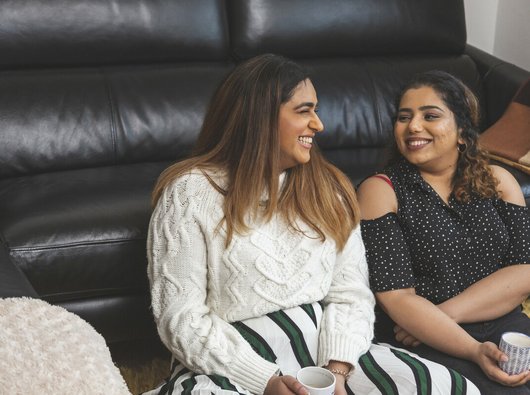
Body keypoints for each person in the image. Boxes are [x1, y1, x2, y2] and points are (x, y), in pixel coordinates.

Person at [144, 55, 479, 395]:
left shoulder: (329, 188)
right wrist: (265, 381)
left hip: (325, 352)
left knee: (444, 387)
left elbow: (351, 295)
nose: (318, 125)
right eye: (304, 111)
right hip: (230, 361)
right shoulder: (190, 192)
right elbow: (181, 317)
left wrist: (337, 369)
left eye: (315, 111)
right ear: (260, 117)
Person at [357, 70, 530, 394]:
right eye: (403, 117)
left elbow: (525, 271)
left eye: (430, 116)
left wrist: (447, 312)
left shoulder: (499, 181)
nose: (413, 126)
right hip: (427, 338)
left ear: (463, 131)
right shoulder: (381, 190)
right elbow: (396, 298)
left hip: (502, 324)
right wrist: (472, 350)